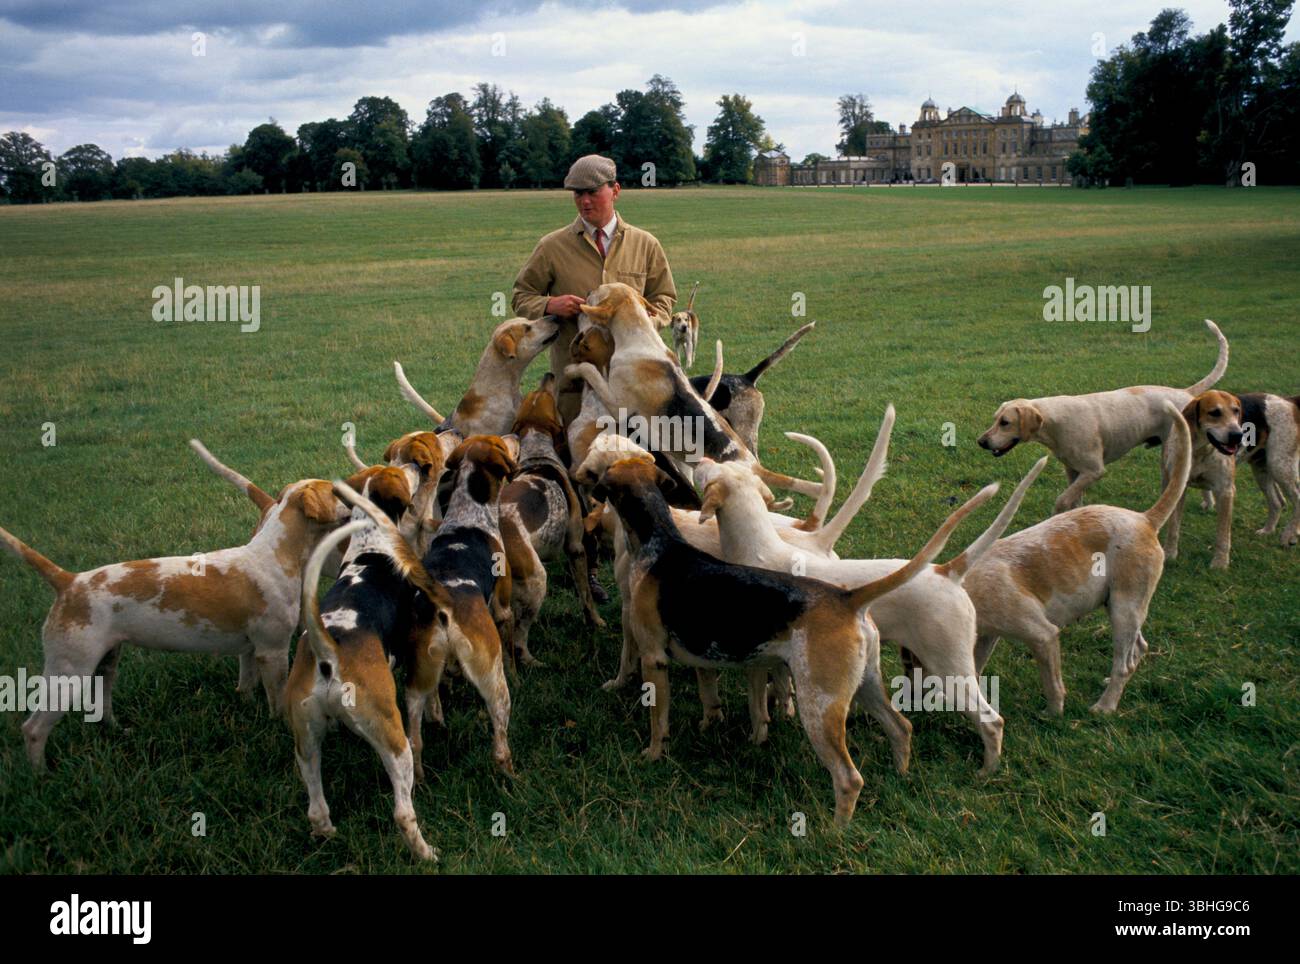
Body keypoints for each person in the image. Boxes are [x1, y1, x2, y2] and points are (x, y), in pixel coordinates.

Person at [512, 154, 676, 423]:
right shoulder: (551, 247)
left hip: (635, 380)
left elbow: (664, 298)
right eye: (577, 194)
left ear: (616, 190)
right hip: (575, 382)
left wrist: (647, 321)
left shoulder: (646, 245)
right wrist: (549, 306)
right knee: (577, 460)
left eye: (592, 192)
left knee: (634, 458)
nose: (584, 201)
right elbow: (521, 296)